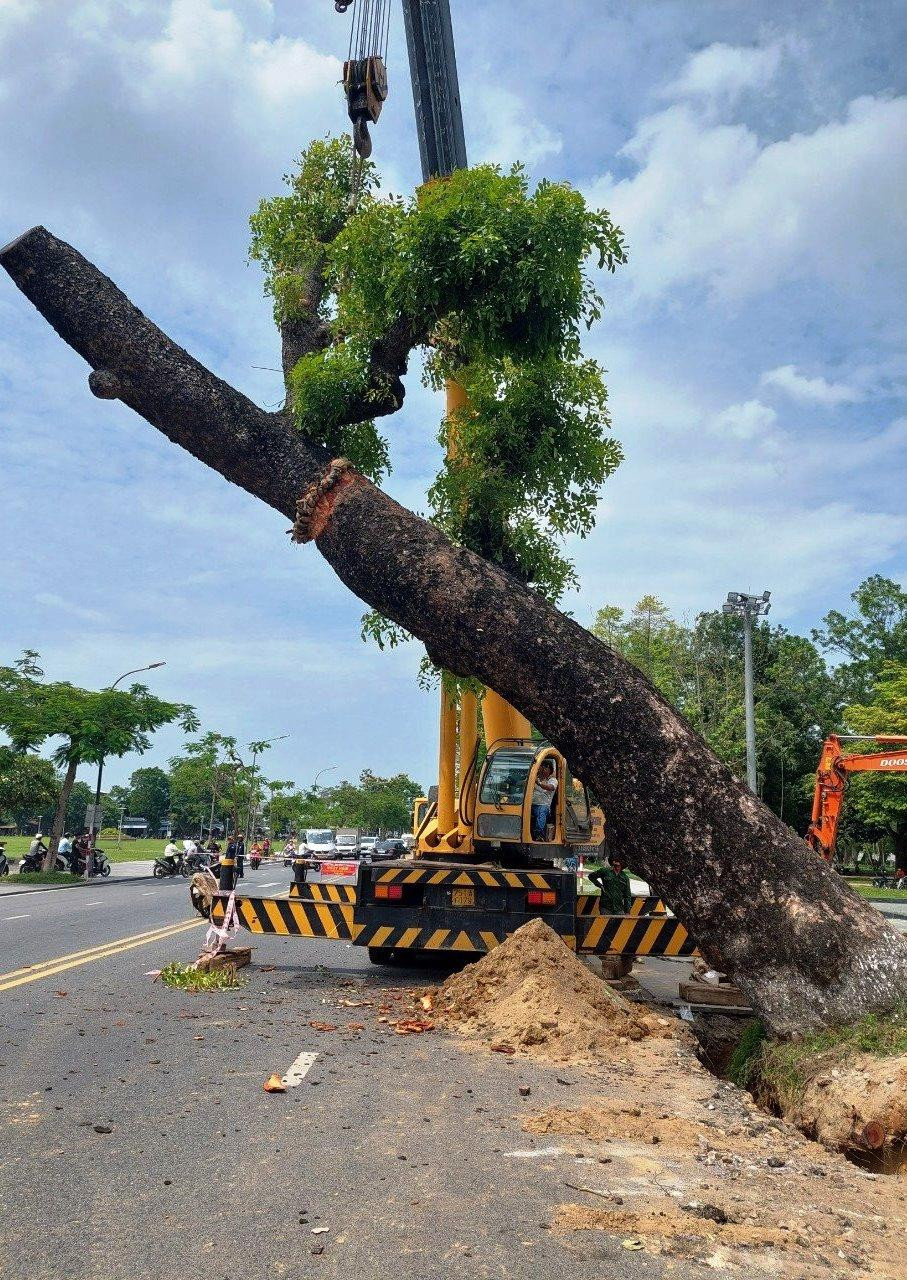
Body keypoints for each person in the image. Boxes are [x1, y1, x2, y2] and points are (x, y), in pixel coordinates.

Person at [530, 759, 558, 841]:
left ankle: (539, 835)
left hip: (543, 806)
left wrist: (538, 783)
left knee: (541, 811)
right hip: (530, 804)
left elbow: (551, 787)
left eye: (545, 768)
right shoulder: (533, 778)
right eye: (541, 767)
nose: (542, 770)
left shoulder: (552, 780)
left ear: (549, 770)